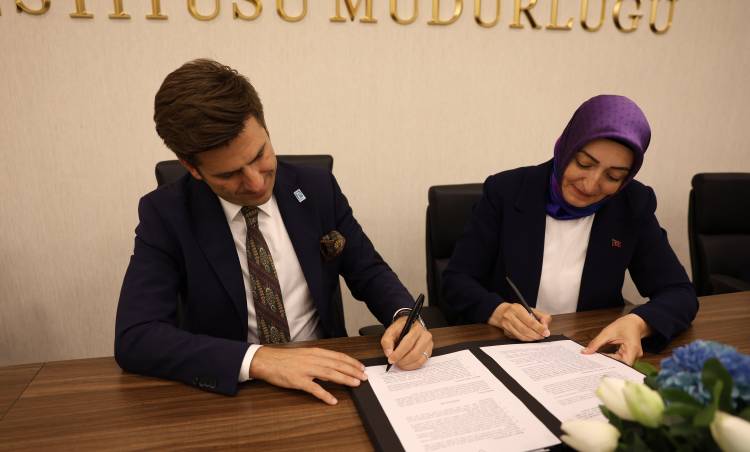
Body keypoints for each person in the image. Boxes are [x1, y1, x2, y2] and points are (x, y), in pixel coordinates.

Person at [115, 59, 433, 401]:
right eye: (229, 174)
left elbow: (368, 270)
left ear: (266, 130)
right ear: (192, 168)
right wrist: (258, 360)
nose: (255, 183)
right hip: (235, 394)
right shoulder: (167, 214)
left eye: (259, 155)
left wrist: (405, 317)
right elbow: (137, 337)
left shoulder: (316, 187)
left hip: (330, 380)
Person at [442, 94, 698, 365]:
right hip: (506, 350)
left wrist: (638, 323)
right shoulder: (507, 191)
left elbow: (680, 293)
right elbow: (456, 281)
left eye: (613, 176)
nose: (590, 185)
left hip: (587, 351)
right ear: (566, 147)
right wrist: (499, 311)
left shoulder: (632, 204)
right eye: (584, 164)